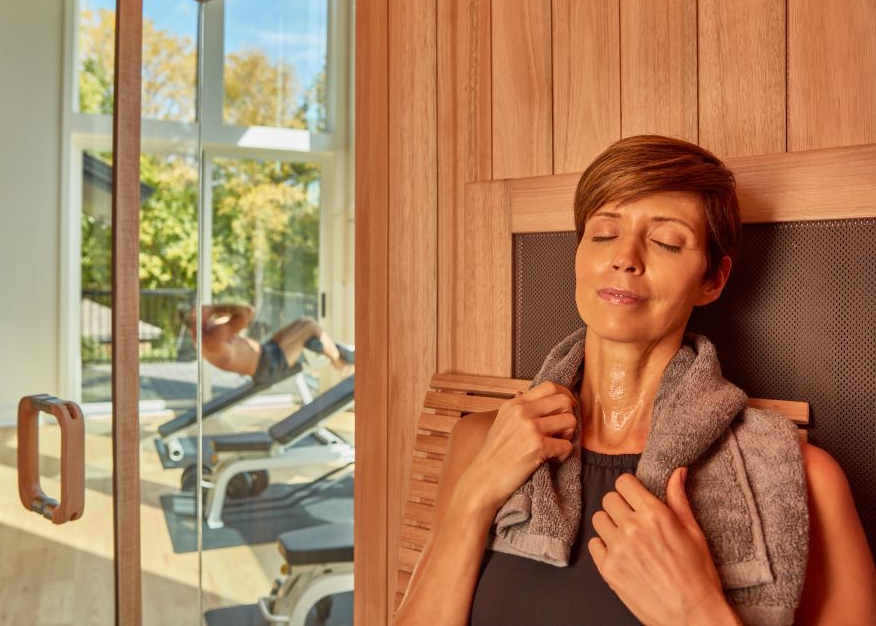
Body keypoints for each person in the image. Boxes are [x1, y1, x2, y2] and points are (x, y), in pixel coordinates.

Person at [394, 135, 876, 625]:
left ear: (713, 280)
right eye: (603, 234)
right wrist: (474, 496)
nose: (625, 257)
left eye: (666, 241)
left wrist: (697, 613)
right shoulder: (481, 442)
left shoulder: (804, 478)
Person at [192, 303, 352, 383]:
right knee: (310, 327)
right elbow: (247, 311)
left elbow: (233, 317)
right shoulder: (212, 336)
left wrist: (213, 314)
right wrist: (214, 308)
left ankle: (336, 355)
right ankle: (340, 363)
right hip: (269, 365)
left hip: (267, 352)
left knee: (304, 322)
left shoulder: (203, 335)